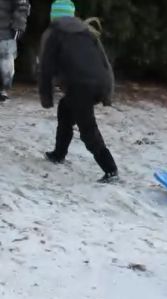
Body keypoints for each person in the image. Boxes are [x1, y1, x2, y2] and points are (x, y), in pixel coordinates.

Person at [38, 0, 118, 183]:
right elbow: (105, 63)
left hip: (80, 85)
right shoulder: (86, 32)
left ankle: (110, 169)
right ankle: (59, 154)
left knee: (87, 128)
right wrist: (107, 92)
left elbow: (45, 68)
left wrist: (46, 97)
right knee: (65, 108)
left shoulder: (53, 33)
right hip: (98, 82)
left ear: (53, 16)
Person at [0, 0, 30, 101]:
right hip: (6, 32)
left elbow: (22, 6)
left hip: (6, 32)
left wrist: (18, 26)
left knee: (5, 67)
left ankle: (3, 89)